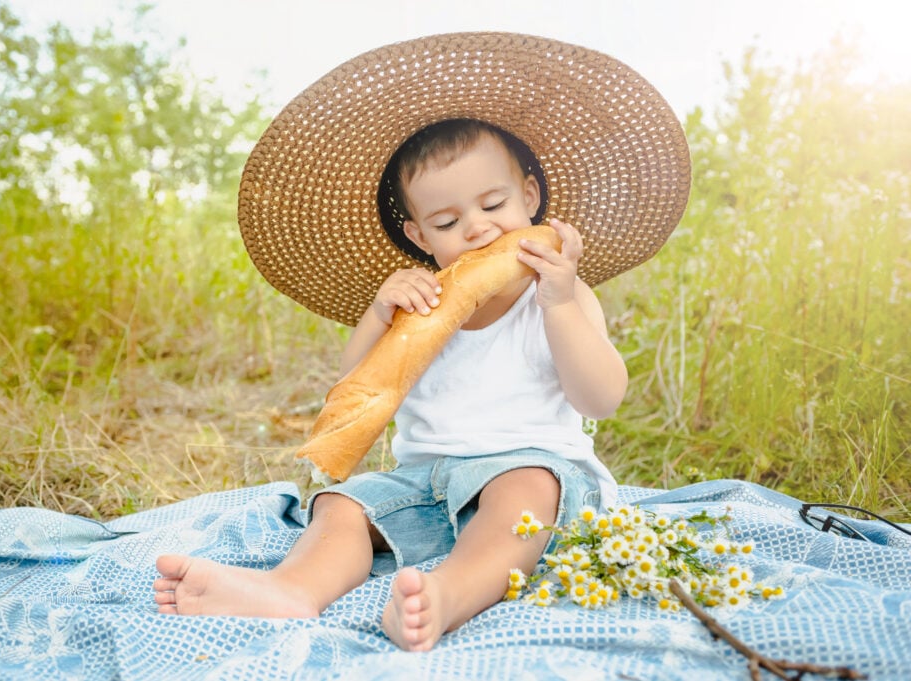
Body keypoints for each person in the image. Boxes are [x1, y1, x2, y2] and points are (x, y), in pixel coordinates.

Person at [153, 32, 691, 653]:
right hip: (423, 481)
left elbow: (600, 398)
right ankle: (292, 589)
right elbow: (355, 396)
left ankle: (449, 595)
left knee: (525, 491)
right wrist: (379, 316)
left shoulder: (559, 296)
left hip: (534, 469)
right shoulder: (419, 308)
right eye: (446, 222)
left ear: (531, 198)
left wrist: (562, 303)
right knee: (341, 506)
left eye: (494, 203)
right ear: (418, 235)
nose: (477, 226)